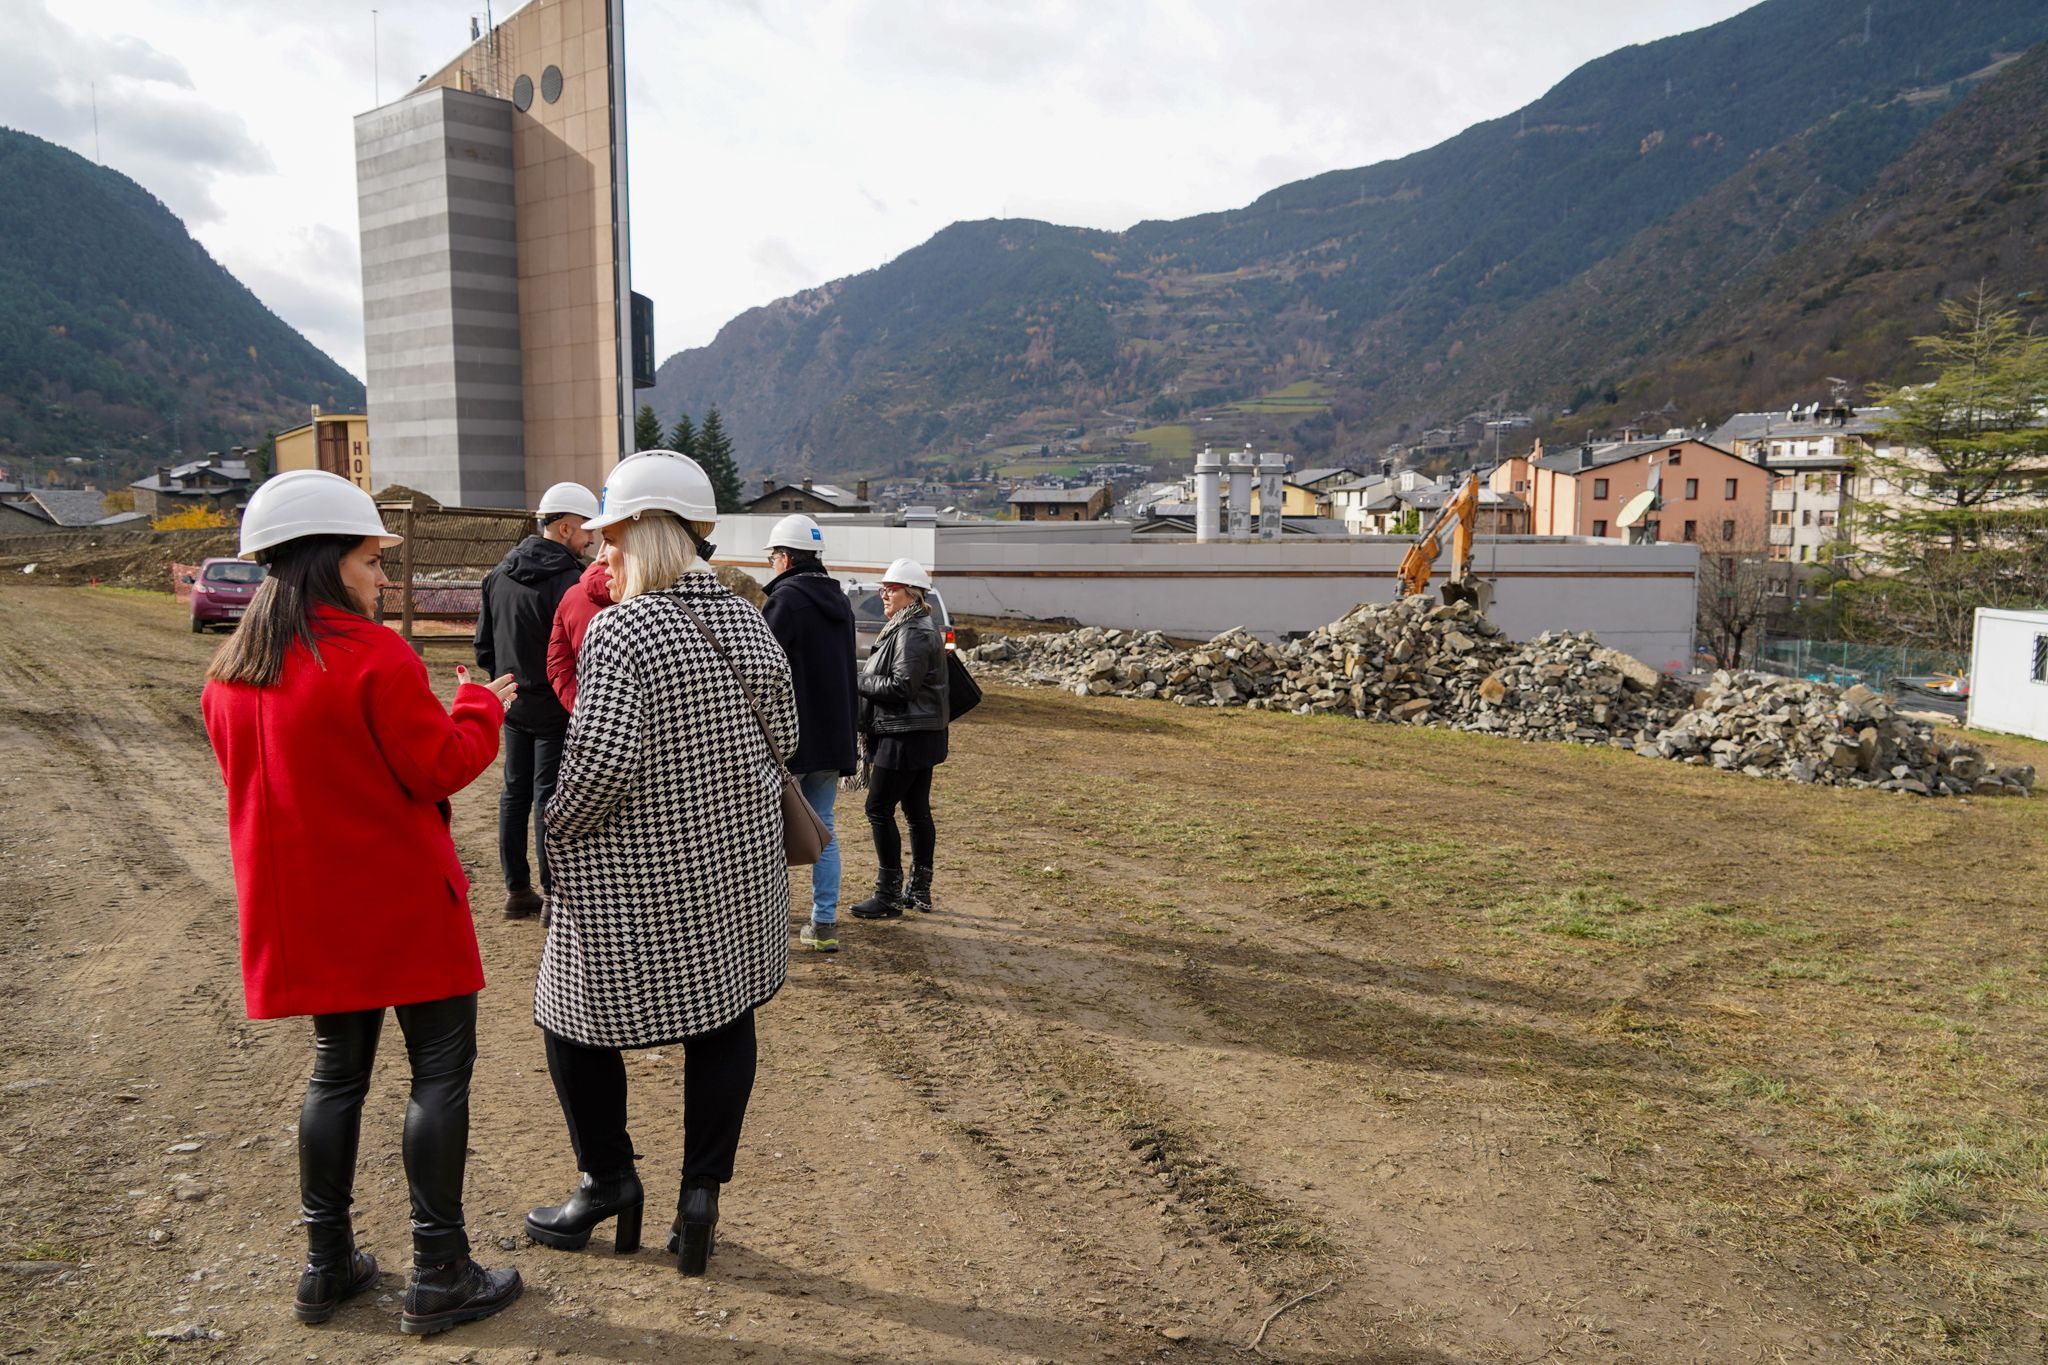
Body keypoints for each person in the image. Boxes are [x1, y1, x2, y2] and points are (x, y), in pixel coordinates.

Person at [200, 470, 523, 1336]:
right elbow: (436, 768)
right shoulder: (374, 655)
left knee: (335, 1075)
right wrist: (478, 705)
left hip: (307, 913)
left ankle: (325, 1265)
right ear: (329, 561)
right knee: (439, 1072)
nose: (383, 577)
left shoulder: (231, 672)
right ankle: (441, 1270)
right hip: (402, 903)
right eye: (373, 559)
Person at [524, 450, 796, 1277]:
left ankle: (608, 1179)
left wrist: (554, 819)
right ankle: (699, 1194)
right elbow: (783, 737)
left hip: (635, 880)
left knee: (567, 1017)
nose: (601, 553)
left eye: (609, 538)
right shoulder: (747, 617)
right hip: (740, 870)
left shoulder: (623, 628)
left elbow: (600, 764)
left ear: (642, 534)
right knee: (724, 1019)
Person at [475, 482, 599, 920]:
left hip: (511, 702)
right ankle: (553, 895)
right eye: (587, 531)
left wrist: (505, 685)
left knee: (513, 794)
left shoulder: (498, 574)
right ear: (565, 528)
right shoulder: (572, 583)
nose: (592, 540)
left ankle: (517, 890)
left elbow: (483, 647)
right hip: (556, 706)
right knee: (549, 796)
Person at [759, 514, 858, 953]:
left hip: (791, 740)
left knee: (768, 831)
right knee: (824, 828)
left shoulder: (785, 602)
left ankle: (771, 926)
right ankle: (824, 923)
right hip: (833, 737)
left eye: (772, 557)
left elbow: (761, 671)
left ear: (784, 557)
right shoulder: (841, 603)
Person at [849, 557, 950, 920]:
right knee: (915, 810)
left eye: (889, 588)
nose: (883, 593)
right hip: (918, 733)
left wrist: (855, 680)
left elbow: (901, 686)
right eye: (884, 587)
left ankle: (888, 895)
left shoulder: (911, 632)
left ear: (910, 593)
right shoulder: (914, 625)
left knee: (878, 808)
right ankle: (918, 890)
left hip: (905, 736)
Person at [547, 556, 613, 713]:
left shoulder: (572, 595)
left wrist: (580, 707)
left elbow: (558, 661)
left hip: (587, 712)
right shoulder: (653, 600)